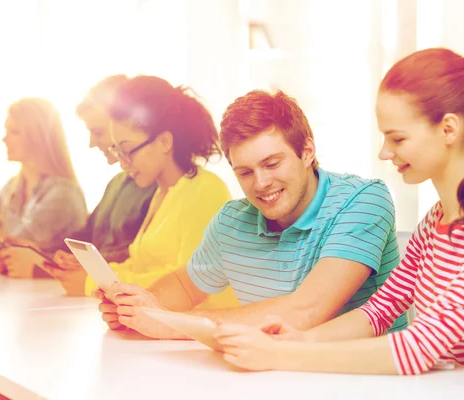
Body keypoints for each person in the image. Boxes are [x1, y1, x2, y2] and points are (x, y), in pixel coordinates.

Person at [211, 48, 464, 388]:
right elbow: (378, 312)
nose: (384, 152)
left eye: (397, 138)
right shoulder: (435, 223)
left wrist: (285, 354)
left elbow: (419, 347)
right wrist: (302, 339)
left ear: (448, 130)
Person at [97, 89, 408, 338]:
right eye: (244, 172)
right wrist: (138, 310)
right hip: (270, 375)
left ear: (307, 151)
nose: (260, 183)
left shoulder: (363, 200)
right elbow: (183, 286)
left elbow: (306, 311)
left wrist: (172, 323)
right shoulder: (232, 221)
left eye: (272, 164)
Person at [45, 75, 239, 309]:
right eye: (117, 151)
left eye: (127, 151)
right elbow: (140, 267)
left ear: (165, 142)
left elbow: (187, 283)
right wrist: (93, 274)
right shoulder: (162, 193)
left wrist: (91, 283)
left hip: (197, 331)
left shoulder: (205, 190)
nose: (123, 163)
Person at [46, 75, 156, 293]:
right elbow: (85, 238)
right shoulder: (116, 183)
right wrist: (48, 255)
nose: (91, 143)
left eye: (97, 132)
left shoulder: (162, 187)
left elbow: (145, 256)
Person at [0, 97, 87, 278]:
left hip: (55, 297)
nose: (4, 139)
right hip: (20, 291)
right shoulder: (12, 187)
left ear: (38, 137)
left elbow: (17, 248)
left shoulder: (63, 194)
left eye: (14, 132)